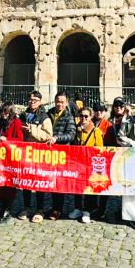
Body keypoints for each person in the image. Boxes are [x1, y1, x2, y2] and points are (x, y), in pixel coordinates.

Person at [39, 92, 76, 220]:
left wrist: (57, 138)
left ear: (66, 103)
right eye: (57, 101)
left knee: (58, 182)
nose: (59, 104)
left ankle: (57, 209)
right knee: (44, 179)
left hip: (61, 153)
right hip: (47, 152)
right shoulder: (48, 113)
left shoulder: (69, 116)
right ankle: (42, 208)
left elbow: (71, 135)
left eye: (62, 102)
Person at [18, 90, 53, 223]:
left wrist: (32, 129)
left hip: (38, 154)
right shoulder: (23, 115)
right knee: (26, 181)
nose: (32, 102)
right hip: (24, 153)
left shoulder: (45, 117)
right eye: (30, 100)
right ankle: (26, 207)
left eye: (35, 100)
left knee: (38, 182)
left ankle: (40, 209)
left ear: (40, 102)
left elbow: (48, 136)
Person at [71, 106, 104, 224]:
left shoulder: (95, 131)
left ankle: (88, 211)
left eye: (86, 116)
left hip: (90, 163)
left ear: (90, 117)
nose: (83, 118)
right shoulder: (76, 129)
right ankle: (78, 208)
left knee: (89, 187)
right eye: (81, 116)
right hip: (78, 162)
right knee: (77, 186)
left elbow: (99, 148)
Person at [0, 101, 23, 223]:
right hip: (1, 158)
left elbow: (20, 139)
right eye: (2, 112)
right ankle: (0, 206)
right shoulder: (1, 123)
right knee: (0, 184)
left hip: (11, 158)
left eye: (6, 112)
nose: (4, 114)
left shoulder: (16, 122)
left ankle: (7, 209)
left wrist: (7, 140)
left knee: (9, 184)